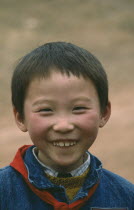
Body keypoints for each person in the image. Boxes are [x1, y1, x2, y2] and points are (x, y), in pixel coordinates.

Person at [0, 42, 133, 210]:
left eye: (79, 108)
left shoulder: (126, 198)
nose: (63, 126)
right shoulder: (4, 193)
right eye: (46, 110)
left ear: (104, 113)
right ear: (20, 118)